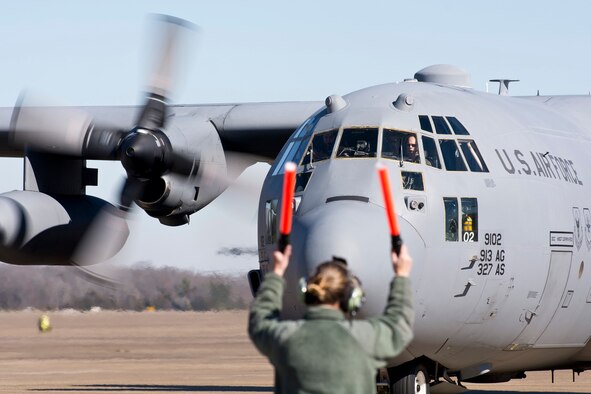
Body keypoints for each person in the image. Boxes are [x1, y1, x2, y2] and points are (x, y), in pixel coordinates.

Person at [248, 244, 414, 393]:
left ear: (306, 291)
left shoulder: (285, 337)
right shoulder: (365, 338)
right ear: (350, 297)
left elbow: (260, 320)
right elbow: (399, 324)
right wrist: (402, 275)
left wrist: (276, 273)